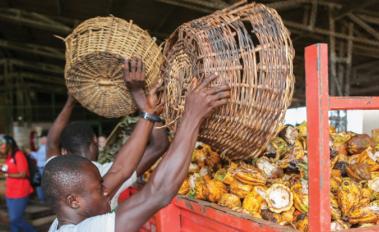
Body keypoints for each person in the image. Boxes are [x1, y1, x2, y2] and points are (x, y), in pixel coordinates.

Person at [42, 57, 230, 232]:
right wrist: (191, 117)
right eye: (99, 189)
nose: (107, 190)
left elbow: (119, 170)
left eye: (102, 184)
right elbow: (158, 193)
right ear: (74, 201)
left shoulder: (66, 218)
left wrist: (147, 111)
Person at [46, 58, 169, 210]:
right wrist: (138, 95)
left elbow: (51, 142)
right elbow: (159, 145)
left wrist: (70, 101)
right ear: (95, 140)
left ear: (64, 151)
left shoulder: (58, 175)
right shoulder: (105, 175)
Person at [0, 135, 36, 232]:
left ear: (9, 144)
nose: (1, 147)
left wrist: (7, 175)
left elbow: (23, 174)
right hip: (10, 192)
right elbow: (10, 168)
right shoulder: (9, 157)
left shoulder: (19, 155)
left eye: (2, 144)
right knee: (13, 220)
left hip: (20, 192)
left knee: (15, 219)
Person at [29, 130, 48, 202]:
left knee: (40, 184)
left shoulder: (46, 147)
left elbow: (40, 158)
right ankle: (42, 199)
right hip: (40, 167)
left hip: (43, 167)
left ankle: (42, 199)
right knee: (38, 184)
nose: (41, 140)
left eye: (43, 138)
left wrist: (31, 153)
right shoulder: (42, 146)